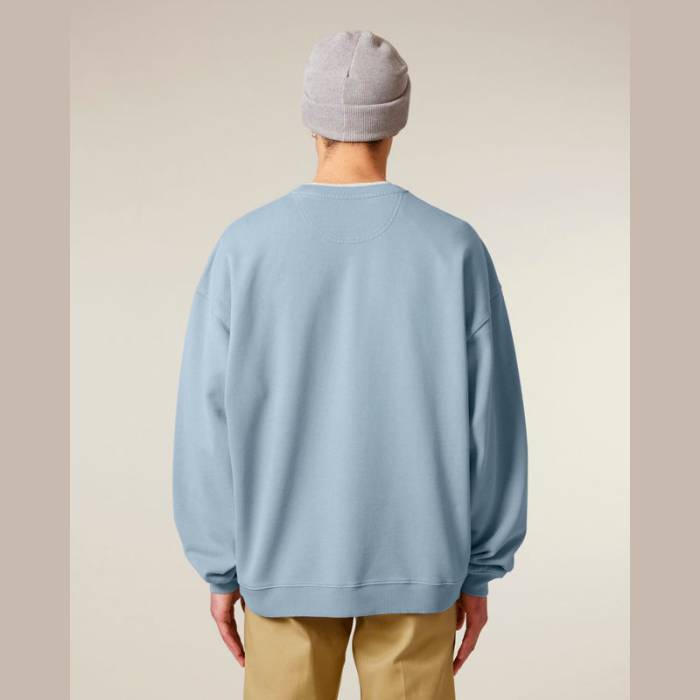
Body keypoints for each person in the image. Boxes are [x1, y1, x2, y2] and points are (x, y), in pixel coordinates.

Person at [173, 30, 528, 700]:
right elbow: (495, 424)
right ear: (396, 122)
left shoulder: (243, 249)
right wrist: (480, 569)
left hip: (282, 566)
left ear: (311, 121)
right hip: (420, 564)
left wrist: (221, 567)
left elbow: (204, 424)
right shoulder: (454, 249)